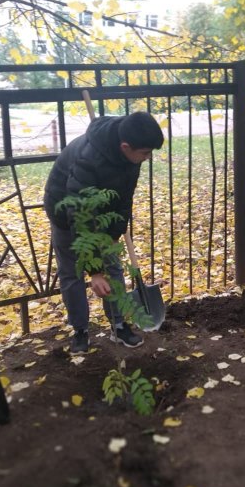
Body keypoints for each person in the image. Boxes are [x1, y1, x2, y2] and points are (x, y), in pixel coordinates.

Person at [43, 109, 164, 353]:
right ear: (125, 146)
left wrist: (113, 235)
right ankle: (80, 330)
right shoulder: (87, 159)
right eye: (145, 153)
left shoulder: (132, 155)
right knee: (72, 272)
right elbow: (80, 216)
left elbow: (123, 200)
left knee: (114, 268)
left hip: (102, 212)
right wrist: (95, 271)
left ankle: (118, 325)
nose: (148, 158)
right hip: (67, 212)